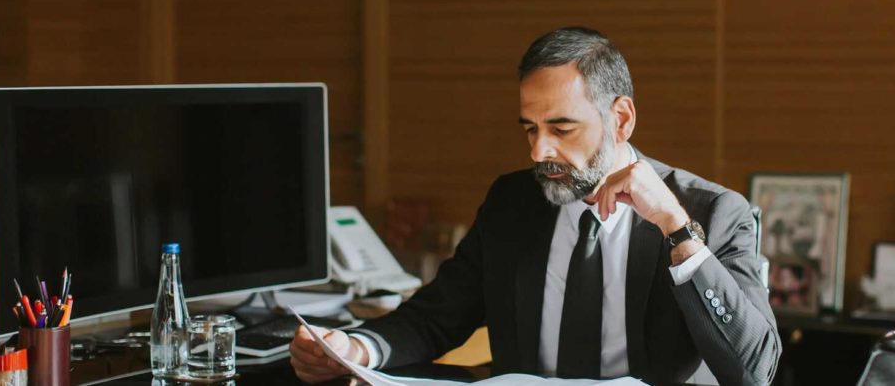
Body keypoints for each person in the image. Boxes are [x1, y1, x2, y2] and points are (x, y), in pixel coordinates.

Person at [290, 27, 781, 385]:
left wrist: (676, 229)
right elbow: (437, 316)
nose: (538, 152)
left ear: (622, 119)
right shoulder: (512, 202)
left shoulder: (714, 213)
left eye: (561, 129)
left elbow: (753, 370)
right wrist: (356, 348)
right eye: (530, 128)